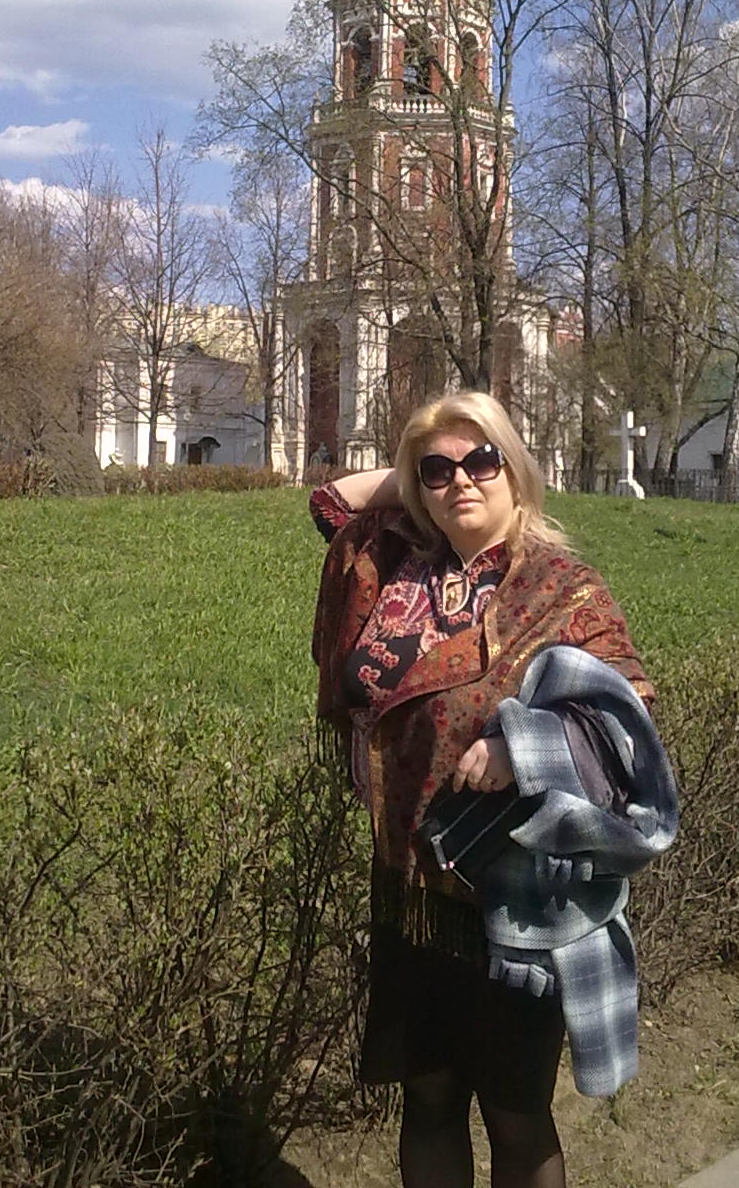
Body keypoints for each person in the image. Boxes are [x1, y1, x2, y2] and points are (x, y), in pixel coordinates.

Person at [310, 391, 661, 1188]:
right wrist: (418, 475)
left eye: (481, 461)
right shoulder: (399, 568)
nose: (461, 481)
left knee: (515, 1111)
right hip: (411, 889)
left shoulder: (564, 587)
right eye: (438, 471)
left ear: (516, 469)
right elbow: (331, 502)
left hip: (516, 896)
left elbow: (628, 715)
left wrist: (522, 747)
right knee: (428, 1096)